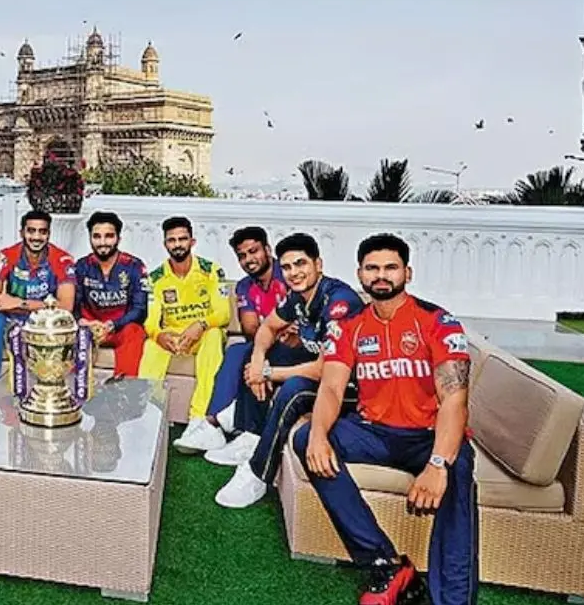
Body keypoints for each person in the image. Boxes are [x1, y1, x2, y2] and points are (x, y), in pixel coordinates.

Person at [294, 233, 476, 605]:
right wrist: (318, 435)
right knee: (305, 439)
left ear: (407, 273)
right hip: (374, 433)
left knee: (458, 470)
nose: (381, 275)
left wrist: (438, 464)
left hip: (428, 437)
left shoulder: (437, 321)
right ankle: (385, 562)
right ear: (360, 274)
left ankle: (453, 600)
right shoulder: (349, 325)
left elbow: (454, 400)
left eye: (390, 267)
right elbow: (331, 388)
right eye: (372, 268)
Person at [213, 233, 364, 509]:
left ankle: (258, 473)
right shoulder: (297, 297)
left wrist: (266, 373)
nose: (294, 273)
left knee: (293, 389)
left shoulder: (339, 302)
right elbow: (267, 327)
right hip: (324, 372)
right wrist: (258, 360)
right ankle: (251, 434)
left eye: (301, 264)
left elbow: (325, 370)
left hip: (351, 386)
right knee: (254, 352)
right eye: (287, 267)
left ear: (318, 264)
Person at [136, 216, 233, 453]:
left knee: (213, 336)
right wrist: (160, 335)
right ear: (165, 244)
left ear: (192, 241)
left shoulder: (211, 271)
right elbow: (150, 319)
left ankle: (198, 420)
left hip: (203, 334)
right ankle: (148, 418)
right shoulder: (155, 278)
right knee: (150, 346)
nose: (178, 244)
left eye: (182, 239)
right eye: (172, 240)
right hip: (174, 337)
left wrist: (200, 325)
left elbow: (223, 314)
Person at [201, 226, 296, 439]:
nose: (248, 260)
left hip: (295, 345)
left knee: (249, 355)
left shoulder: (288, 274)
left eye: (254, 251)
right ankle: (213, 421)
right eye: (242, 256)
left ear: (267, 250)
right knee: (236, 351)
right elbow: (250, 328)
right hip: (264, 343)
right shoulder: (244, 286)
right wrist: (273, 335)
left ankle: (232, 424)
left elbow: (298, 324)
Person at [0, 209, 81, 390]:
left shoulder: (62, 259)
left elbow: (66, 307)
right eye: (31, 231)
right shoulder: (6, 256)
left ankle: (51, 389)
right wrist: (21, 306)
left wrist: (20, 303)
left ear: (48, 234)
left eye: (42, 232)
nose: (36, 237)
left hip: (45, 323)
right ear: (22, 233)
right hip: (13, 320)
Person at [73, 211, 149, 379]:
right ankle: (74, 388)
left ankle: (124, 388)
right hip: (90, 328)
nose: (102, 242)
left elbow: (140, 310)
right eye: (97, 236)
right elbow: (73, 306)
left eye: (109, 236)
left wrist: (112, 325)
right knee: (72, 331)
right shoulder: (81, 266)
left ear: (118, 239)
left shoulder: (134, 266)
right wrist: (84, 322)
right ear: (90, 238)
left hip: (119, 328)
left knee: (135, 331)